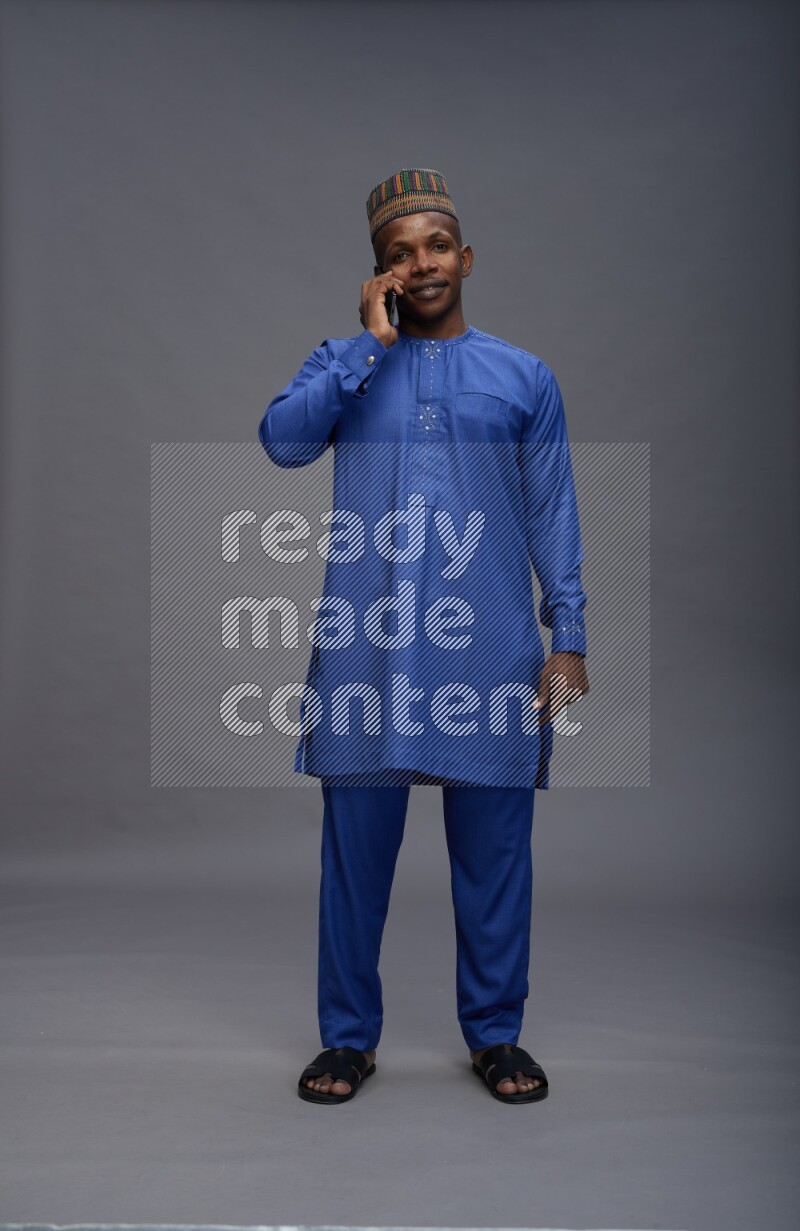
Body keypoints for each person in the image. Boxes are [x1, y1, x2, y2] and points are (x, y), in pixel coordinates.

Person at [258, 167, 589, 1104]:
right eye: (400, 254)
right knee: (354, 862)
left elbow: (553, 509)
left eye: (437, 245)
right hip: (367, 652)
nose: (423, 263)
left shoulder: (524, 377)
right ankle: (347, 1038)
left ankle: (496, 1035)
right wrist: (367, 349)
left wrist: (567, 633)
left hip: (489, 652)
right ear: (379, 273)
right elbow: (282, 441)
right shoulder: (342, 362)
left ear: (467, 257)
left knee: (495, 858)